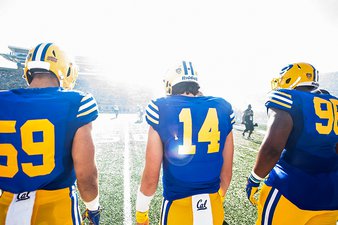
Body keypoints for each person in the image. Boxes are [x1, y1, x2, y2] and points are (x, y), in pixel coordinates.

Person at [0, 43, 101, 225]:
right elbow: (86, 176)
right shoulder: (77, 102)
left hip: (5, 210)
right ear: (66, 70)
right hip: (57, 210)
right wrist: (93, 208)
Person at [135, 60, 235, 225]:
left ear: (169, 85)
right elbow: (226, 173)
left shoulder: (161, 107)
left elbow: (150, 179)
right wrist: (217, 200)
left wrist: (141, 216)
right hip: (213, 207)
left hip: (177, 208)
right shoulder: (222, 107)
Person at [246, 62, 338, 225]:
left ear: (290, 79)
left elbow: (272, 148)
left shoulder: (287, 98)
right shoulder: (334, 103)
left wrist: (254, 178)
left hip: (291, 189)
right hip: (331, 195)